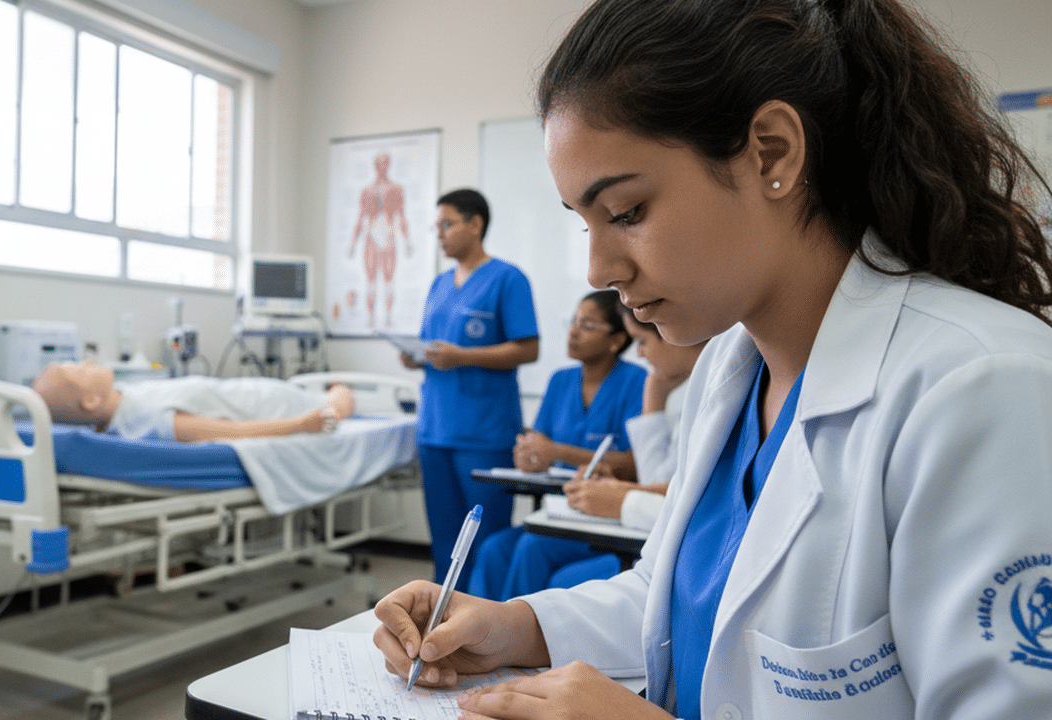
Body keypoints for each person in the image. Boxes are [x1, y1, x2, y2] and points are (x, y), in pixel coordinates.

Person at [372, 1, 1052, 718]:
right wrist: (519, 627)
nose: (599, 268)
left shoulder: (984, 390)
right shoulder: (731, 368)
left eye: (628, 212)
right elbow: (679, 600)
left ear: (772, 153)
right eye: (583, 223)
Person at [468, 290, 648, 600]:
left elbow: (635, 463)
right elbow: (539, 443)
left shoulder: (637, 382)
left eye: (588, 325)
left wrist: (556, 452)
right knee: (493, 549)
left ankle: (512, 644)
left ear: (617, 340)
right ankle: (474, 636)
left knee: (531, 548)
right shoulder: (560, 381)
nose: (574, 332)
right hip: (558, 508)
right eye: (574, 322)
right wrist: (530, 457)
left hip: (603, 514)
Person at [402, 188, 539, 584]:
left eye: (447, 224)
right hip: (436, 429)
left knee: (484, 540)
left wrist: (464, 356)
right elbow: (433, 345)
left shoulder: (507, 280)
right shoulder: (440, 284)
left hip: (483, 432)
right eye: (437, 226)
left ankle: (483, 628)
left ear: (475, 224)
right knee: (444, 538)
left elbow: (528, 349)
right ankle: (442, 621)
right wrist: (415, 355)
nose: (440, 234)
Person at [543, 314, 707, 591]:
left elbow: (693, 498)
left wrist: (624, 496)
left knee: (557, 576)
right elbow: (663, 481)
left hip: (684, 552)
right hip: (659, 538)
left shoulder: (710, 393)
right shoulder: (690, 391)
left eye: (642, 341)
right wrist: (621, 488)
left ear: (676, 332)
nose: (639, 353)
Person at [31, 360, 355, 442]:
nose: (88, 363)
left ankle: (335, 389)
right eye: (78, 368)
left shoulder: (124, 399)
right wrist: (302, 424)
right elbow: (235, 432)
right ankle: (338, 389)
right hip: (269, 405)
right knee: (340, 401)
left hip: (251, 390)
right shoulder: (147, 418)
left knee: (336, 393)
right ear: (90, 401)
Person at [348, 152, 412, 327]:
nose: (381, 166)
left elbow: (402, 216)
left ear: (389, 165)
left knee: (389, 278)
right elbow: (360, 218)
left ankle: (388, 317)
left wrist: (407, 242)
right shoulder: (366, 191)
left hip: (389, 233)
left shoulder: (397, 189)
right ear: (375, 165)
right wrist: (353, 244)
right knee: (371, 279)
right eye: (378, 163)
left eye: (385, 163)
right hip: (372, 235)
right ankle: (371, 318)